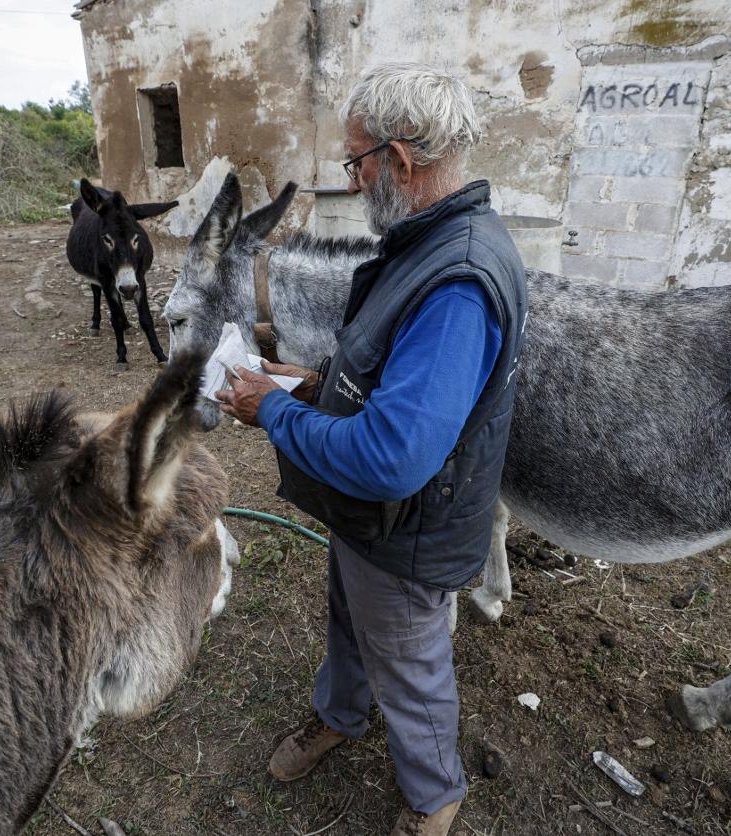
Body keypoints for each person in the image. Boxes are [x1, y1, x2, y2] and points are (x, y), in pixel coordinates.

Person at [215, 62, 528, 836]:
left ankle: (435, 797)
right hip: (372, 516)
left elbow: (393, 456)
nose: (353, 183)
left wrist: (274, 415)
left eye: (357, 162)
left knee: (411, 666)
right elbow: (390, 368)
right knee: (350, 620)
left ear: (400, 158)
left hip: (410, 523)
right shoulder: (427, 241)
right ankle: (341, 716)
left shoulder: (457, 278)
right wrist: (312, 383)